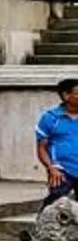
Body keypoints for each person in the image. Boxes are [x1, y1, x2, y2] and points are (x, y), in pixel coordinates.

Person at [40, 79, 78, 208]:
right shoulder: (50, 118)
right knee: (54, 205)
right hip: (61, 170)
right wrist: (51, 167)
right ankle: (41, 226)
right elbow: (42, 148)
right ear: (66, 96)